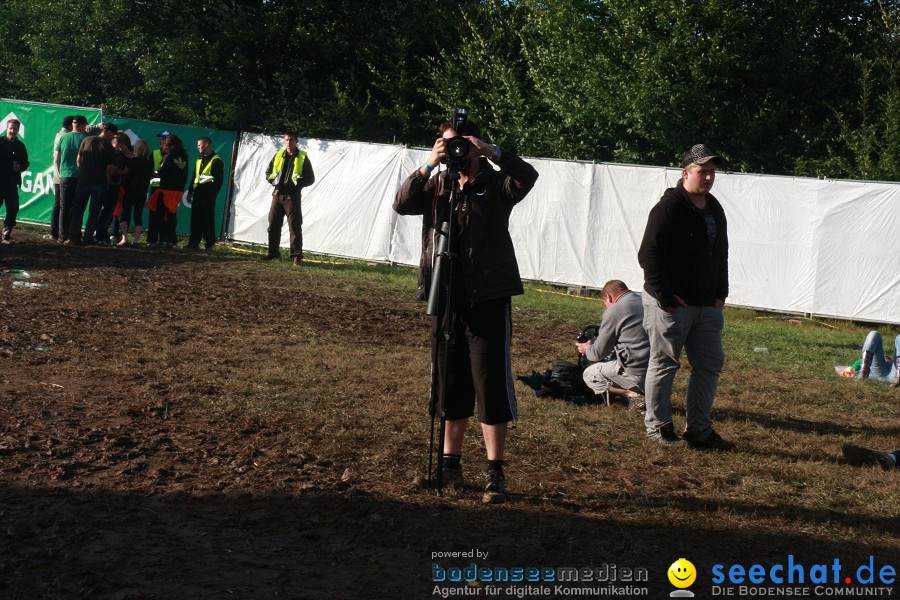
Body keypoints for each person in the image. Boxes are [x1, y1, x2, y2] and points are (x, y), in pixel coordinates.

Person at [393, 116, 539, 504]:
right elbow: (402, 203)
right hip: (445, 295)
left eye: (462, 144)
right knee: (449, 382)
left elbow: (528, 176)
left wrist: (491, 151)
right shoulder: (436, 184)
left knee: (489, 384)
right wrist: (428, 163)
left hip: (488, 297)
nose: (456, 150)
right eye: (448, 143)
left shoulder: (496, 183)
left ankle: (495, 472)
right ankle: (449, 465)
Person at [637, 143, 732, 449]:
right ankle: (659, 428)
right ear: (685, 173)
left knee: (709, 365)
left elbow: (721, 253)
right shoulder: (668, 208)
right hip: (671, 306)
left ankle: (700, 430)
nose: (708, 178)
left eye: (712, 172)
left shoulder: (715, 207)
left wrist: (720, 293)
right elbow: (648, 254)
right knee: (665, 364)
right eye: (702, 171)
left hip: (706, 306)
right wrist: (665, 297)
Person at [575, 280, 649, 409]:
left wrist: (587, 349)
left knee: (589, 374)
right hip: (658, 369)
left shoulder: (614, 311)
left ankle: (633, 394)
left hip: (635, 371)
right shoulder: (647, 302)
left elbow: (597, 354)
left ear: (608, 297)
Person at [264, 131, 315, 265]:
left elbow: (311, 179)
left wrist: (297, 184)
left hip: (292, 197)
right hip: (277, 194)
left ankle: (296, 256)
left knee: (294, 226)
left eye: (291, 140)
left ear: (296, 141)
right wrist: (273, 181)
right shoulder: (279, 155)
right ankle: (273, 253)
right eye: (286, 140)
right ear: (284, 141)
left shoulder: (302, 157)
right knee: (273, 224)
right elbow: (268, 173)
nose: (288, 142)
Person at [68, 123, 117, 244]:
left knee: (78, 209)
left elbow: (78, 159)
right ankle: (88, 237)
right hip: (99, 183)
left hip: (83, 180)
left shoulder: (87, 139)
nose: (114, 137)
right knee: (94, 212)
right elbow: (109, 169)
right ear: (109, 132)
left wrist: (84, 171)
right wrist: (107, 182)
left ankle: (74, 236)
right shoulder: (110, 148)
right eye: (114, 135)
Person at [146, 134, 187, 248]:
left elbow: (163, 172)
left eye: (164, 143)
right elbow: (184, 175)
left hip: (165, 190)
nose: (162, 144)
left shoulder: (169, 156)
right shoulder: (183, 157)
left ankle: (163, 239)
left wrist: (155, 173)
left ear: (169, 145)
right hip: (177, 191)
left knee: (161, 215)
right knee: (171, 215)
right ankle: (170, 239)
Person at [186, 137, 224, 250]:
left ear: (206, 145)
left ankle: (209, 244)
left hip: (208, 195)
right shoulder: (199, 160)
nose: (198, 147)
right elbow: (194, 177)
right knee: (195, 219)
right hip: (197, 194)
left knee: (208, 220)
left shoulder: (216, 160)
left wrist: (213, 195)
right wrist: (190, 191)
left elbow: (218, 181)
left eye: (199, 145)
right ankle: (193, 243)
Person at [55, 115, 88, 244]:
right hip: (79, 177)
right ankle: (74, 236)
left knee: (64, 207)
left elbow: (56, 159)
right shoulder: (85, 139)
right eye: (85, 125)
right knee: (78, 208)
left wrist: (59, 174)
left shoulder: (63, 138)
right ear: (80, 125)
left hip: (64, 176)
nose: (85, 128)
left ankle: (62, 236)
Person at [0, 119, 30, 242]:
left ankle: (6, 232)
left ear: (18, 130)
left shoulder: (20, 146)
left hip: (12, 182)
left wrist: (20, 167)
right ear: (6, 128)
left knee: (13, 208)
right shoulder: (0, 142)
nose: (12, 131)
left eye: (15, 129)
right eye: (10, 128)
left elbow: (25, 162)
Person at [118, 140, 152, 246]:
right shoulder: (149, 163)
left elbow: (128, 175)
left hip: (130, 190)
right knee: (138, 215)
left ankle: (124, 238)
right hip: (142, 192)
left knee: (124, 214)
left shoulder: (133, 161)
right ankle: (136, 240)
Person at [48, 115, 74, 240]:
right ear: (70, 125)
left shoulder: (59, 135)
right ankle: (57, 232)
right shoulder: (65, 137)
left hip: (59, 175)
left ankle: (54, 232)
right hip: (62, 176)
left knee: (58, 204)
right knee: (61, 205)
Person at [146, 131, 169, 244]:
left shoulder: (172, 155)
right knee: (153, 215)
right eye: (160, 139)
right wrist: (155, 174)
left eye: (163, 139)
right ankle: (152, 239)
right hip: (155, 188)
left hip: (167, 190)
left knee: (165, 216)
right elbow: (148, 170)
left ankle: (163, 239)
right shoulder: (154, 153)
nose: (160, 141)